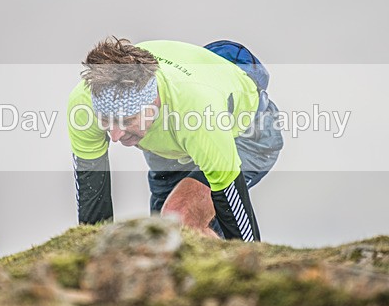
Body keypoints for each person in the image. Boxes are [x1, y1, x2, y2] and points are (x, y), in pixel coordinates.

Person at [67, 38, 283, 240]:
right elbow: (92, 197)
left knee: (178, 218)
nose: (114, 136)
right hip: (174, 143)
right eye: (106, 121)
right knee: (163, 236)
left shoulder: (200, 114)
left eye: (127, 121)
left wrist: (252, 269)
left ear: (154, 102)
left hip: (247, 134)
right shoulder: (84, 103)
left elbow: (235, 209)